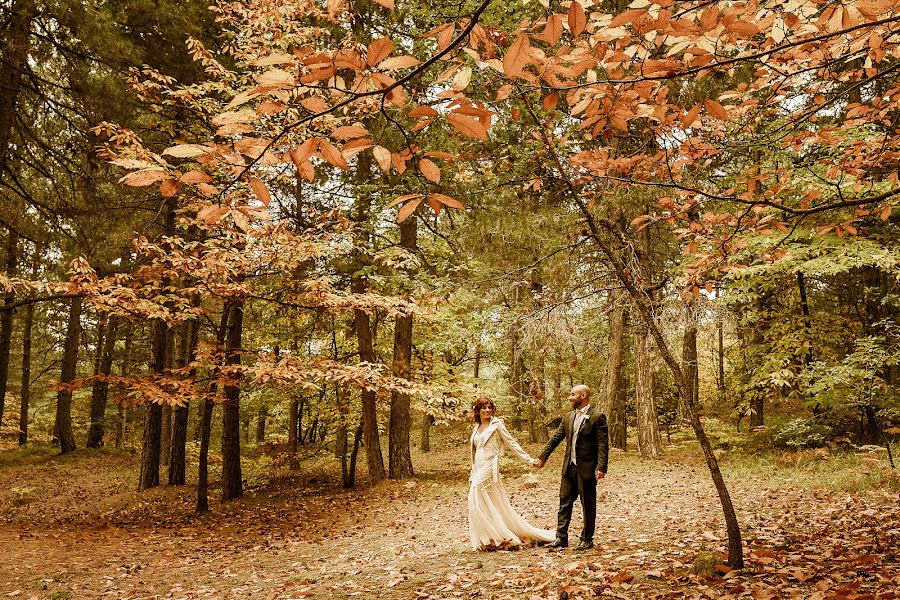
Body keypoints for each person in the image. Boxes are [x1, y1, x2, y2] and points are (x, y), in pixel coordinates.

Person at [468, 397, 555, 551]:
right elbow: (474, 452)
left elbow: (512, 443)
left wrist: (529, 460)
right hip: (478, 467)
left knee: (475, 493)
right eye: (483, 408)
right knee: (488, 501)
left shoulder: (496, 425)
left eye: (489, 407)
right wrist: (472, 471)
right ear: (477, 410)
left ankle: (495, 535)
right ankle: (491, 537)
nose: (487, 410)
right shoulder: (476, 427)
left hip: (490, 465)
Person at [535, 385, 609, 551]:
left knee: (587, 504)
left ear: (583, 396)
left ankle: (587, 539)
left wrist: (601, 466)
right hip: (569, 467)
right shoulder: (568, 417)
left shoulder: (597, 417)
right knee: (564, 503)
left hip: (587, 468)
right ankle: (561, 538)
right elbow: (556, 438)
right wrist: (542, 458)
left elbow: (603, 444)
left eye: (572, 394)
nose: (569, 397)